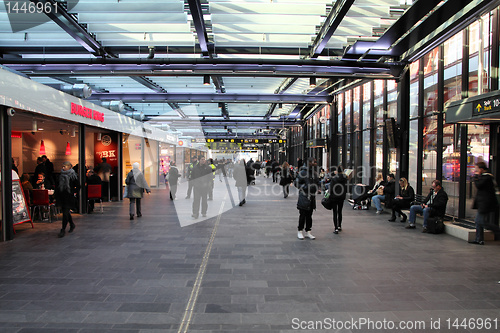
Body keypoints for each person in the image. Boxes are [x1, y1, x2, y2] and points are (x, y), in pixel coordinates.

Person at [469, 162, 498, 245]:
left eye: (477, 169)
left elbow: (479, 185)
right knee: (478, 221)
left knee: (480, 221)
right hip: (482, 203)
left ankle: (496, 231)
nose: (475, 171)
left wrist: (476, 177)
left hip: (485, 203)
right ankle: (479, 239)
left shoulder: (487, 177)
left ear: (481, 169)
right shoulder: (485, 177)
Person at [296, 157, 319, 240]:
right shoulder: (302, 173)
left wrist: (317, 186)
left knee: (309, 215)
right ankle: (300, 230)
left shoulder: (315, 173)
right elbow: (297, 183)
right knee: (303, 214)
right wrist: (304, 187)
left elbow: (317, 182)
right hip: (304, 196)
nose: (315, 164)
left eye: (315, 162)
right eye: (314, 162)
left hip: (312, 197)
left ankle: (308, 231)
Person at [55, 162, 80, 238]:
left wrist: (73, 192)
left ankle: (63, 230)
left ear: (69, 167)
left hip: (69, 197)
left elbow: (78, 186)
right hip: (61, 197)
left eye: (64, 166)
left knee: (65, 213)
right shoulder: (60, 176)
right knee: (65, 212)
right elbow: (57, 186)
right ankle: (72, 224)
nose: (63, 168)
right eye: (62, 166)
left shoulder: (73, 175)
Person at [329, 165, 347, 234]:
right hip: (341, 196)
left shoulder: (334, 178)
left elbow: (331, 188)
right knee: (340, 211)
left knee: (335, 212)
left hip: (334, 196)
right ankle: (339, 225)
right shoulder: (345, 178)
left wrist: (330, 195)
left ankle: (336, 228)